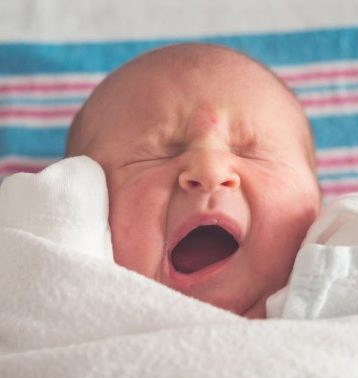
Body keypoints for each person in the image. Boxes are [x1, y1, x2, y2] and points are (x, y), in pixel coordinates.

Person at [65, 43, 322, 319]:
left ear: (321, 206)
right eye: (153, 156)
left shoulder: (355, 292)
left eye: (253, 153)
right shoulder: (52, 314)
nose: (209, 170)